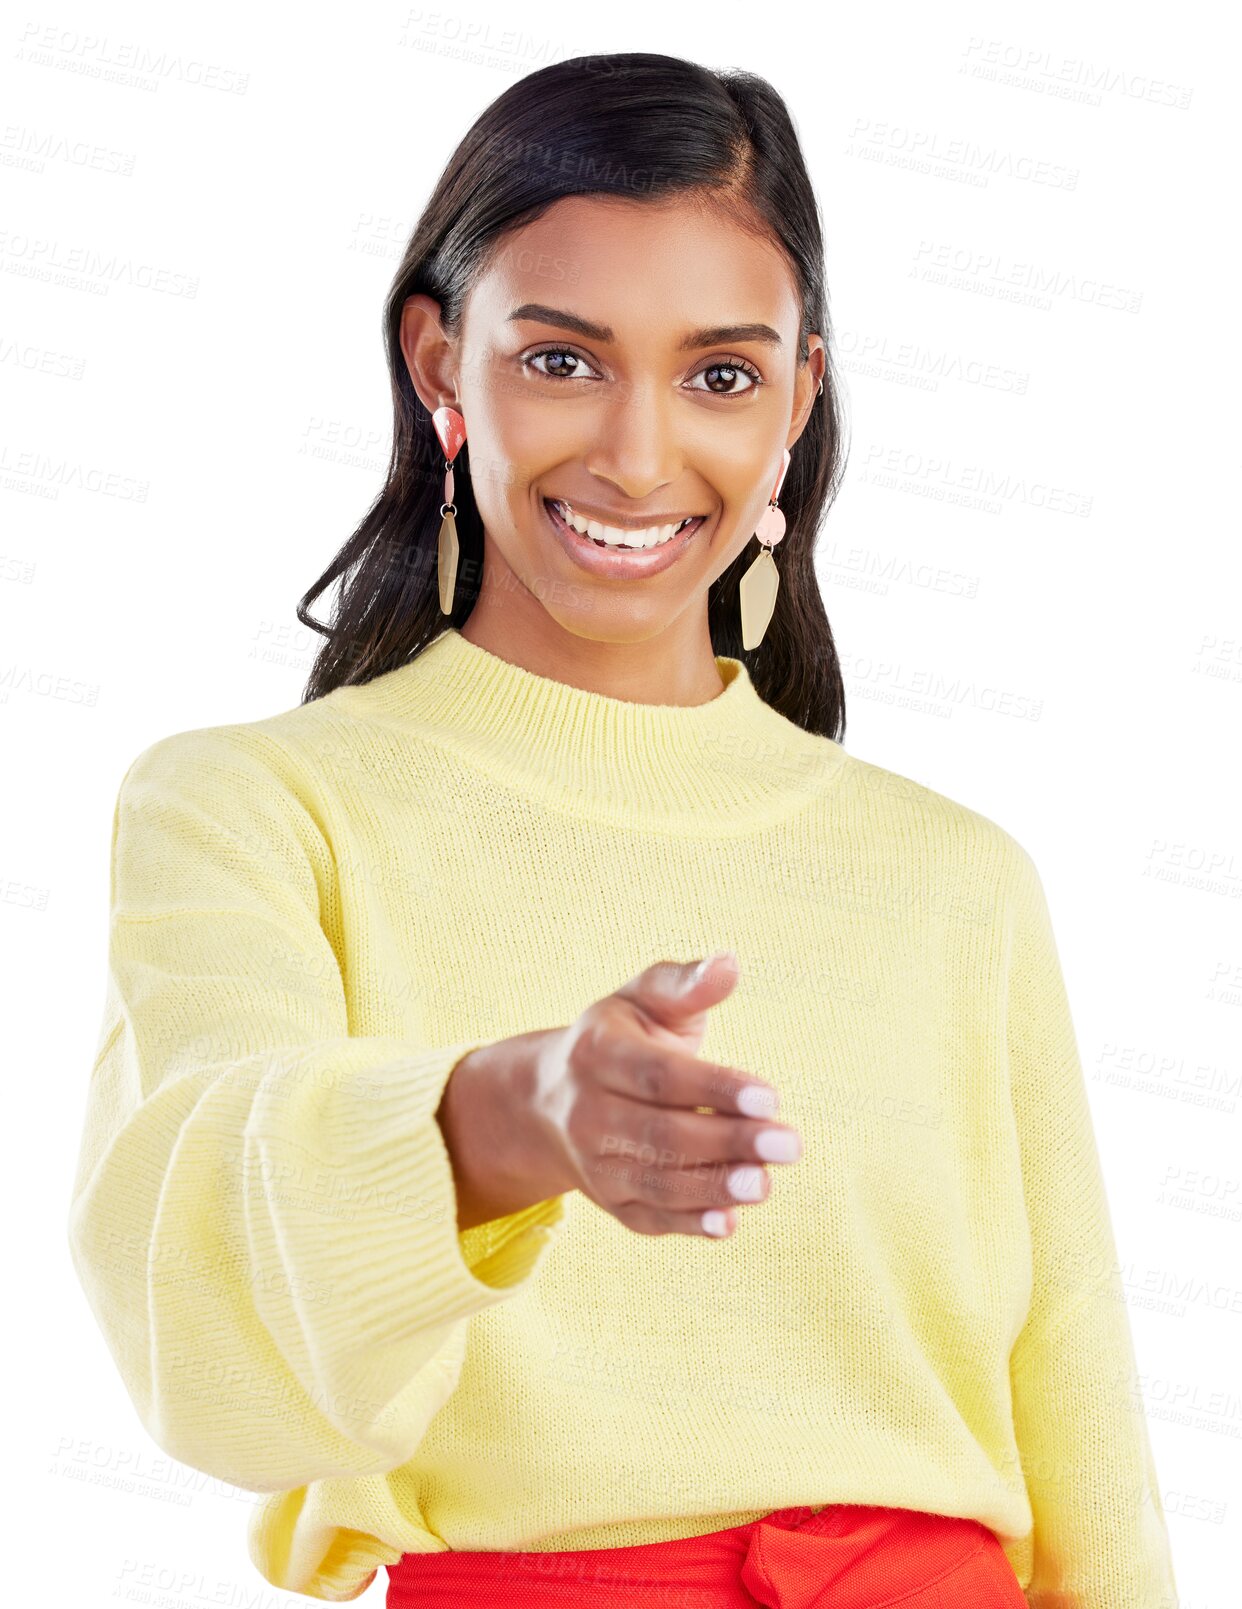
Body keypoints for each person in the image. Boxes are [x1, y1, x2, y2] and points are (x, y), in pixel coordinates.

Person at [66, 51, 1178, 1609]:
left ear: (797, 396)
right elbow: (204, 1337)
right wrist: (505, 1120)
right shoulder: (254, 810)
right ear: (440, 365)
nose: (641, 458)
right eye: (563, 361)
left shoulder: (956, 879)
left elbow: (1085, 1441)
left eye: (718, 374)